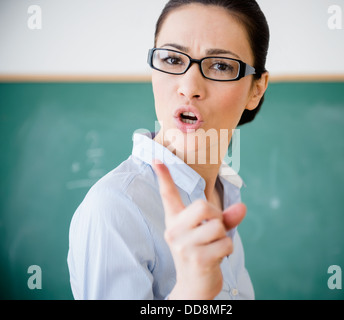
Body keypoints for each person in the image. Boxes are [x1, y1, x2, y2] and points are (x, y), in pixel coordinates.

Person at [67, 0, 269, 300]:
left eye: (221, 66)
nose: (189, 87)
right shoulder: (115, 208)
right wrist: (191, 291)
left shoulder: (225, 195)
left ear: (256, 89)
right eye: (173, 60)